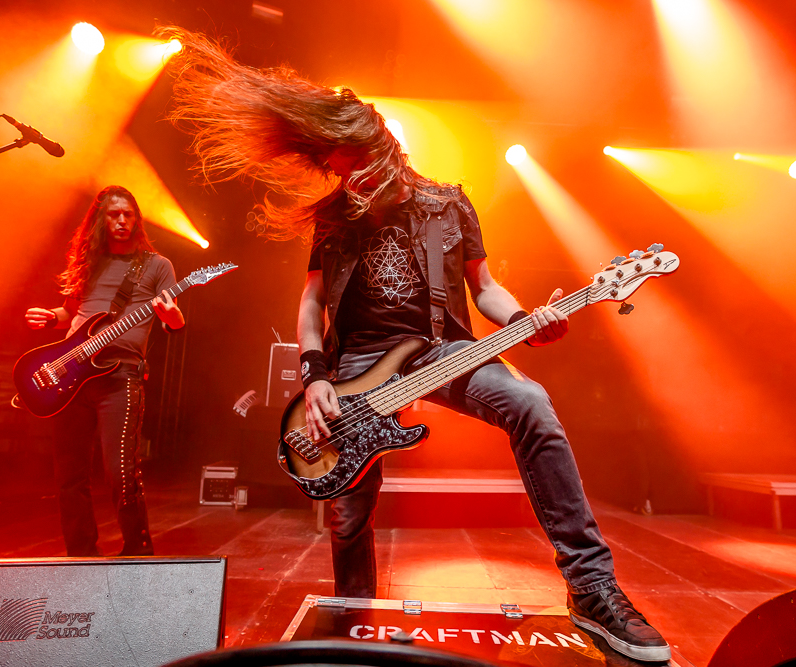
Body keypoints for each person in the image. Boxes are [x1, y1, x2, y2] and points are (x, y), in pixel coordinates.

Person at [160, 29, 669, 662]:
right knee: (348, 510)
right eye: (337, 171)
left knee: (531, 404)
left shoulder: (448, 205)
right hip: (355, 364)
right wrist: (315, 377)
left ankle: (592, 588)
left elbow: (486, 290)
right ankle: (353, 622)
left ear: (383, 148)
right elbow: (313, 303)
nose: (347, 181)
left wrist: (526, 318)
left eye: (353, 167)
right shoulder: (336, 216)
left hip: (440, 351)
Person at [24, 185, 185, 557]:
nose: (122, 221)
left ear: (137, 220)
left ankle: (137, 551)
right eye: (114, 215)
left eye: (129, 214)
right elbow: (72, 312)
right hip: (70, 374)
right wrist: (50, 317)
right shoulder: (88, 262)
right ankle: (80, 553)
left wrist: (174, 317)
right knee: (70, 474)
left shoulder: (157, 265)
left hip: (120, 375)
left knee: (120, 470)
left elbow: (172, 321)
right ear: (100, 220)